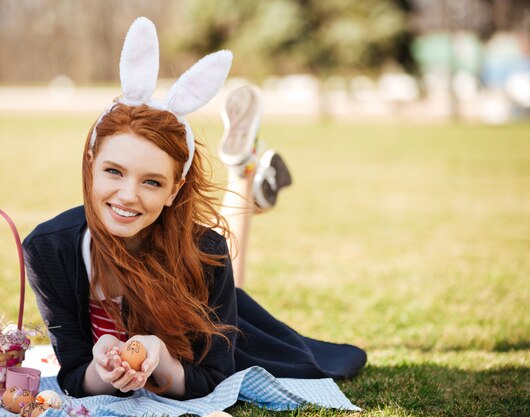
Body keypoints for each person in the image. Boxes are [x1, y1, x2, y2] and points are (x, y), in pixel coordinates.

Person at [23, 17, 366, 401]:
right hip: (191, 272)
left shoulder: (207, 251)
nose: (127, 195)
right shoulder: (47, 250)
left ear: (174, 189)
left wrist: (163, 359)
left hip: (217, 316)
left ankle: (243, 172)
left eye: (152, 181)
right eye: (113, 171)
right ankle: (245, 174)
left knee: (220, 267)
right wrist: (102, 371)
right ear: (90, 163)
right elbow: (74, 374)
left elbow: (214, 376)